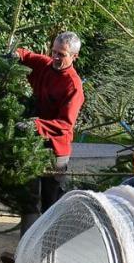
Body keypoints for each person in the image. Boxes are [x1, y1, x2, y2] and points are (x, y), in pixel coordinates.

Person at [15, 30, 84, 222]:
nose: (55, 57)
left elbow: (65, 124)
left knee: (50, 205)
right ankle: (25, 249)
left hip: (55, 150)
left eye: (61, 54)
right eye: (53, 51)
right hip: (35, 143)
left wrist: (35, 125)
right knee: (29, 201)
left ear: (74, 56)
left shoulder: (73, 86)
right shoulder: (45, 64)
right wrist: (15, 54)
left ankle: (49, 249)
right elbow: (24, 54)